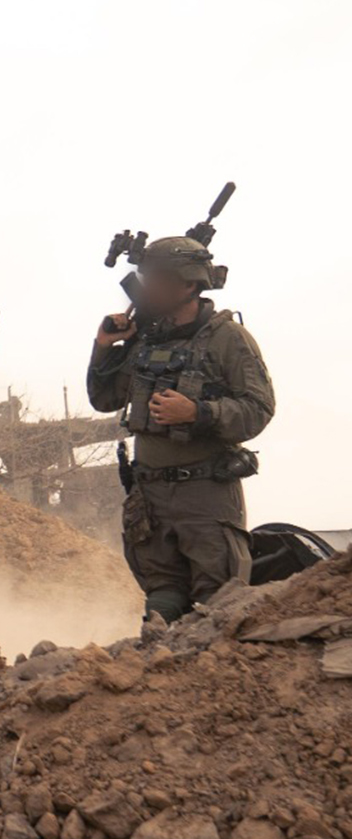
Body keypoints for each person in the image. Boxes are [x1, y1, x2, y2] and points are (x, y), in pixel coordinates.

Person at [85, 237, 274, 623]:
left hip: (205, 496)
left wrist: (198, 412)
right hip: (151, 498)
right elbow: (104, 399)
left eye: (157, 280)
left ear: (188, 284)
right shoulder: (146, 339)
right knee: (162, 605)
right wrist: (104, 346)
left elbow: (258, 410)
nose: (148, 288)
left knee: (216, 608)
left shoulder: (227, 338)